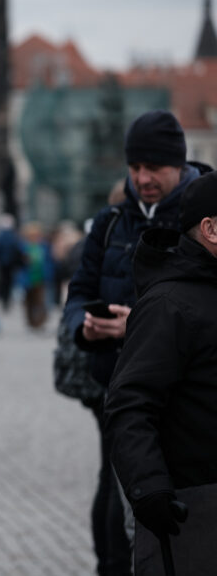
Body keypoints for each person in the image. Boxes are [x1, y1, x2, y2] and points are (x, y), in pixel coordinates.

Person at [62, 110, 208, 576]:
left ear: (178, 164)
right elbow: (78, 292)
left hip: (185, 391)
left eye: (154, 168)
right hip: (115, 382)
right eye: (135, 167)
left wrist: (139, 327)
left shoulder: (200, 215)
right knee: (113, 498)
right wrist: (84, 327)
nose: (142, 178)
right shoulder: (109, 221)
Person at [105, 170, 217, 574]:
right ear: (211, 229)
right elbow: (129, 404)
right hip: (194, 507)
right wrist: (149, 487)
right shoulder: (168, 304)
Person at [0, 213, 24, 312]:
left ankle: (4, 300)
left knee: (3, 282)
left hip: (1, 264)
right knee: (9, 282)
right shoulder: (13, 236)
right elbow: (17, 249)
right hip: (10, 264)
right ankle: (6, 300)